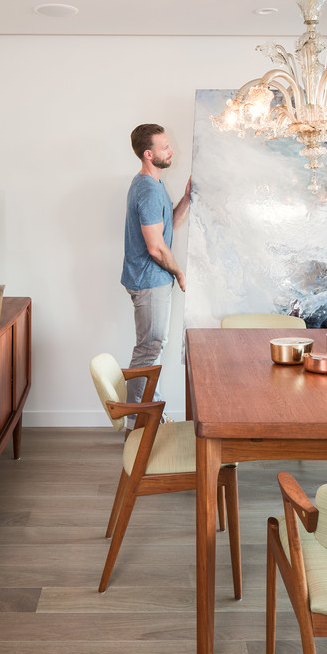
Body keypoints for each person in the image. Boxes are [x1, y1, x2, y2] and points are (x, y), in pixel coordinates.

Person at [121, 124, 191, 432]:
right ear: (148, 155)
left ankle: (151, 419)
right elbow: (155, 246)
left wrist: (186, 199)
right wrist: (177, 271)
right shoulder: (147, 190)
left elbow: (164, 230)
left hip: (152, 279)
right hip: (149, 280)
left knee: (151, 347)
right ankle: (138, 424)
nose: (171, 150)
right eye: (164, 148)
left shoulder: (155, 184)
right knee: (149, 350)